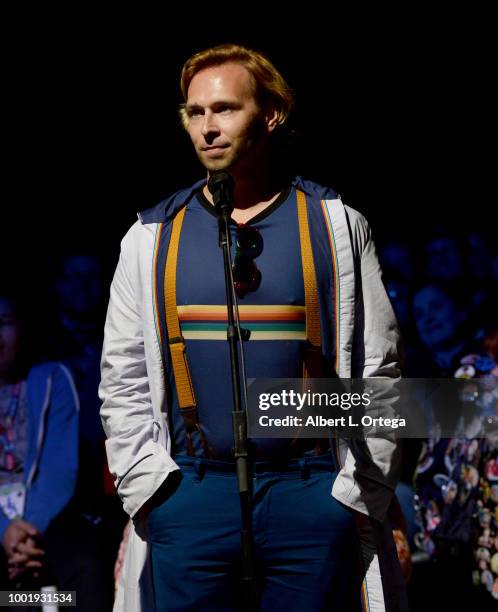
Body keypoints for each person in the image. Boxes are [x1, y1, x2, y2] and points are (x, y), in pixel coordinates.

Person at [100, 44, 406, 611]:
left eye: (225, 109)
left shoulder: (334, 223)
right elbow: (123, 375)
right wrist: (150, 490)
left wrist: (357, 493)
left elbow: (377, 364)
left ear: (270, 115)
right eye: (195, 113)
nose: (208, 128)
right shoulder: (150, 236)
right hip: (190, 492)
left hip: (309, 491)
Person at [0, 290, 79, 593]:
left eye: (4, 322)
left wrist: (24, 537)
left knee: (82, 569)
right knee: (11, 598)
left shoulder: (52, 379)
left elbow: (61, 470)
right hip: (5, 530)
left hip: (42, 523)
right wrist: (5, 531)